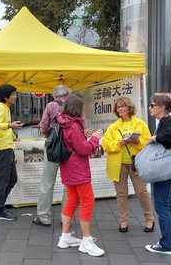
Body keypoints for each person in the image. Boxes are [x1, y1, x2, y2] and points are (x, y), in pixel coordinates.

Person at [56, 95, 104, 257]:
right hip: (78, 168)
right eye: (82, 108)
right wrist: (95, 138)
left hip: (67, 167)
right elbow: (84, 150)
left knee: (72, 200)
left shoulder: (63, 123)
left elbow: (71, 142)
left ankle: (65, 237)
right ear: (77, 108)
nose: (84, 111)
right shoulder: (73, 126)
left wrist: (83, 135)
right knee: (88, 200)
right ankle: (86, 240)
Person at [102, 97, 154, 233]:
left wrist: (137, 142)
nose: (121, 109)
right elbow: (106, 145)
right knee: (121, 194)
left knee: (142, 192)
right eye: (118, 107)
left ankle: (149, 219)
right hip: (118, 165)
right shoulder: (113, 127)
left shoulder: (140, 124)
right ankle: (123, 221)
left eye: (123, 106)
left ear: (129, 107)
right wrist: (119, 143)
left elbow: (148, 142)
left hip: (136, 162)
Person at [145, 95, 171, 255]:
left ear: (162, 108)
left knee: (161, 207)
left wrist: (154, 138)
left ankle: (166, 244)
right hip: (169, 170)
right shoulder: (167, 121)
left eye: (152, 105)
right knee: (167, 206)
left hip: (164, 171)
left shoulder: (166, 122)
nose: (150, 108)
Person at [33, 85, 71, 227]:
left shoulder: (50, 106)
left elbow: (43, 128)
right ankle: (66, 218)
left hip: (52, 147)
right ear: (68, 94)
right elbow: (83, 126)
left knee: (48, 183)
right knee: (69, 185)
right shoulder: (75, 105)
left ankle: (44, 217)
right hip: (70, 148)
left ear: (54, 95)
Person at [0, 84, 23, 220]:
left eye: (15, 94)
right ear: (5, 97)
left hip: (7, 147)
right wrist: (10, 125)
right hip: (2, 148)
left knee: (13, 178)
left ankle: (0, 205)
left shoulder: (6, 108)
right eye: (13, 94)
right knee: (3, 180)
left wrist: (14, 136)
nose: (15, 97)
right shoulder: (1, 108)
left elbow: (5, 127)